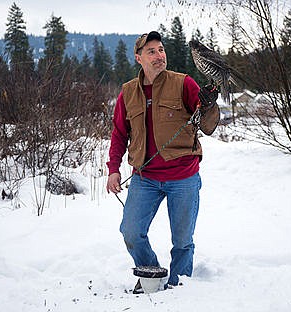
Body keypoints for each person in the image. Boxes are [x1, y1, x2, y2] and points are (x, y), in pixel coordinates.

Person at [106, 31, 219, 292]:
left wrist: (210, 105)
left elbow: (208, 125)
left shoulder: (184, 84)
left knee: (182, 240)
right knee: (131, 232)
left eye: (161, 50)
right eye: (151, 51)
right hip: (145, 178)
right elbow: (119, 134)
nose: (159, 55)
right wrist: (113, 169)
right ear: (139, 58)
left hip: (183, 177)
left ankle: (179, 287)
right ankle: (153, 274)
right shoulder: (128, 93)